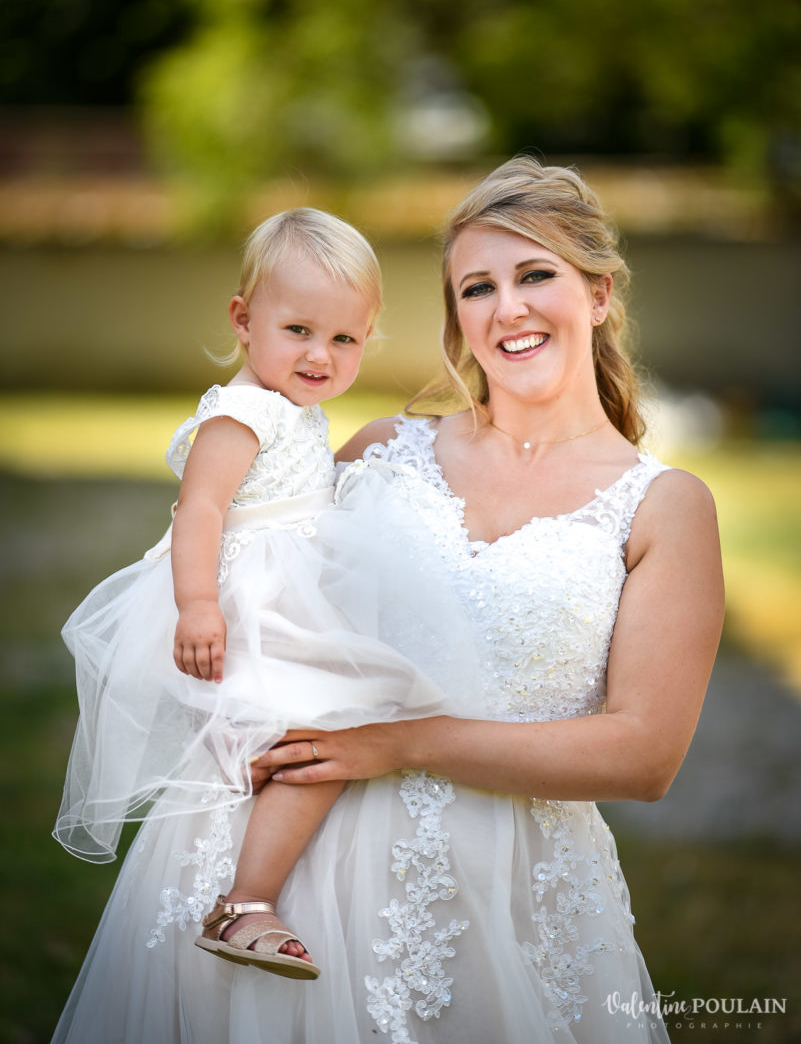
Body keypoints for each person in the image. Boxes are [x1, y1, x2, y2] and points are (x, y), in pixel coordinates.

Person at [52, 158, 723, 1044]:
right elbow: (252, 589)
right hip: (279, 881)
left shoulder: (663, 504)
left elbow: (644, 755)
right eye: (476, 288)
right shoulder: (377, 451)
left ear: (597, 294)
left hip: (497, 892)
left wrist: (398, 744)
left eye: (534, 275)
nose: (507, 308)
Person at [53, 207, 455, 984]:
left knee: (313, 731)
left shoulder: (292, 411)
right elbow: (198, 510)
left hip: (286, 596)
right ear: (244, 321)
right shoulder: (241, 412)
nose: (320, 354)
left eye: (344, 339)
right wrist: (199, 605)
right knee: (330, 730)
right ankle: (247, 904)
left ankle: (251, 866)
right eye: (299, 330)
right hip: (250, 604)